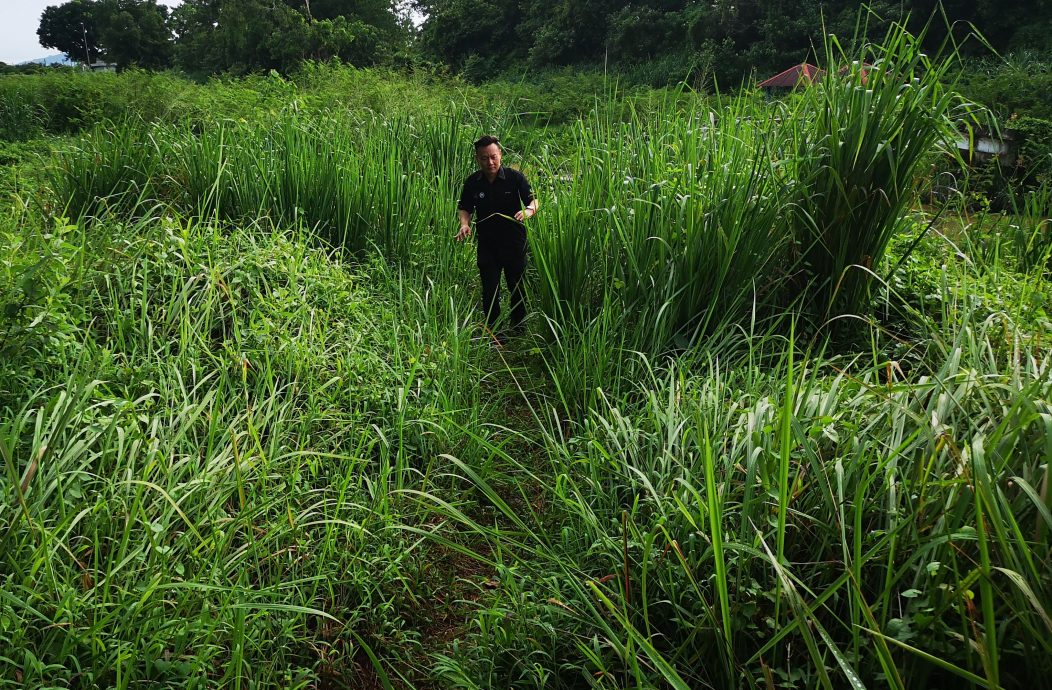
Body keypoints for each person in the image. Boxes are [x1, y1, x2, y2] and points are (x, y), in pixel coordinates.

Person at [456, 135, 539, 341]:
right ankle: (493, 332)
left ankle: (519, 329)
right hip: (487, 245)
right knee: (490, 288)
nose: (490, 162)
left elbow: (534, 200)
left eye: (493, 157)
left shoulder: (515, 178)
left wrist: (529, 211)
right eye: (484, 158)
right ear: (477, 158)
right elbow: (465, 207)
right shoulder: (473, 182)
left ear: (500, 155)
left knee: (517, 287)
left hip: (514, 243)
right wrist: (464, 224)